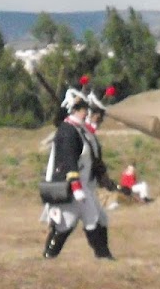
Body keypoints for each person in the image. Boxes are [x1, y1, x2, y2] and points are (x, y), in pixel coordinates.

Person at [41, 87, 115, 260]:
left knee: (96, 219)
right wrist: (76, 186)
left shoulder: (79, 130)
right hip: (71, 186)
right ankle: (49, 256)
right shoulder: (67, 130)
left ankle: (103, 255)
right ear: (74, 109)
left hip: (83, 186)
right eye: (83, 109)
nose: (86, 112)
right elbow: (68, 160)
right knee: (66, 224)